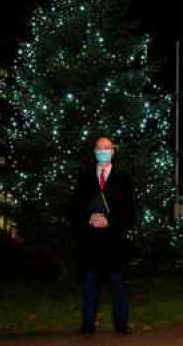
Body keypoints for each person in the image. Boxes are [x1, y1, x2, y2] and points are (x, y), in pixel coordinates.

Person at [70, 136, 136, 335]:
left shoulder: (124, 178)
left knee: (118, 286)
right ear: (94, 151)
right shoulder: (84, 177)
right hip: (91, 242)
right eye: (99, 148)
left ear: (113, 151)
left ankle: (121, 324)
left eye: (107, 148)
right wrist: (89, 218)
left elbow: (130, 212)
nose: (103, 151)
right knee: (90, 285)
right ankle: (87, 325)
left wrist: (110, 221)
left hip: (114, 241)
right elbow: (74, 208)